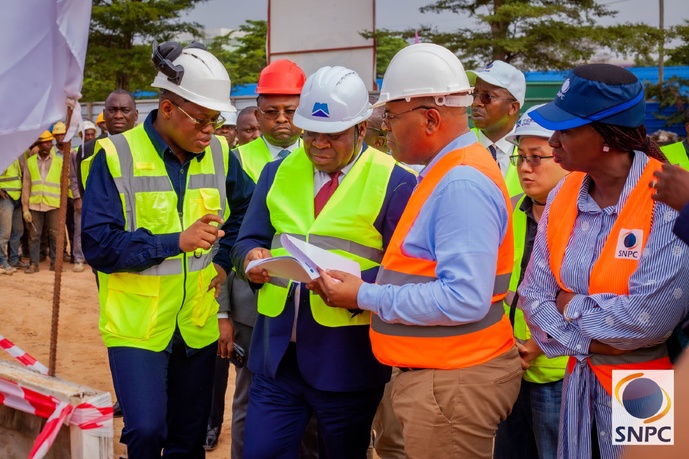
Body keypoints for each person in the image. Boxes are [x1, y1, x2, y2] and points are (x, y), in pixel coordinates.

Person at [315, 44, 522, 459]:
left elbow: (463, 297)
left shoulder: (461, 181)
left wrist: (362, 295)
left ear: (430, 117)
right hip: (438, 374)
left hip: (452, 379)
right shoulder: (448, 170)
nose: (384, 128)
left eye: (391, 117)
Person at [81, 41, 254, 458]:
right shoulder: (115, 156)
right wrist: (173, 243)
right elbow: (97, 244)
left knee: (187, 438)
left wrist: (226, 258)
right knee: (145, 430)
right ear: (168, 107)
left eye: (216, 120)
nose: (210, 130)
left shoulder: (219, 155)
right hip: (136, 326)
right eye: (203, 120)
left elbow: (247, 209)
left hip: (195, 321)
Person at [232, 65, 415, 459]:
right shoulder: (276, 171)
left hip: (347, 359)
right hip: (276, 356)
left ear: (361, 130)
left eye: (331, 136)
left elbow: (409, 270)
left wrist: (357, 287)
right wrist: (250, 256)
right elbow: (246, 238)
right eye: (309, 134)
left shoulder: (396, 181)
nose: (317, 145)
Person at [518, 63, 689, 459]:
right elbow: (534, 296)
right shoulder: (564, 194)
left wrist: (570, 304)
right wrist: (590, 340)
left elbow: (647, 320)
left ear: (609, 137)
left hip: (644, 387)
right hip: (580, 383)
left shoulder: (666, 200)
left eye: (567, 130)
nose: (554, 140)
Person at [205, 59, 307, 456]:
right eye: (272, 111)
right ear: (257, 111)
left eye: (291, 110)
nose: (282, 120)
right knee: (251, 400)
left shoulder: (324, 156)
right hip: (250, 309)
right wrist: (223, 315)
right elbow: (224, 241)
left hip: (306, 306)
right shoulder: (236, 160)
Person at [494, 106, 569, 459]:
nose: (525, 167)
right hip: (510, 365)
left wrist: (542, 343)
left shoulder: (588, 216)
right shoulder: (510, 210)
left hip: (561, 370)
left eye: (537, 157)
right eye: (520, 157)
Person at [467, 60, 526, 196]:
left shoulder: (537, 154)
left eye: (487, 97)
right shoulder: (457, 146)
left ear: (513, 108)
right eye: (474, 94)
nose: (476, 103)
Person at [77, 90, 139, 197]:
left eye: (125, 110)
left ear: (136, 115)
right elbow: (86, 194)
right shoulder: (87, 150)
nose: (118, 115)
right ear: (104, 114)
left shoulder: (150, 146)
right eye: (112, 110)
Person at [21, 131, 62, 273]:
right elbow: (26, 186)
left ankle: (56, 263)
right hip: (35, 204)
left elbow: (64, 184)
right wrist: (25, 209)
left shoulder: (59, 161)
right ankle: (34, 264)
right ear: (38, 144)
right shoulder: (30, 162)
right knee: (34, 235)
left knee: (55, 234)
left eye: (50, 142)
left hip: (53, 204)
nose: (49, 144)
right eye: (46, 142)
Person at [0, 155, 24, 274]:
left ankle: (14, 259)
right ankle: (2, 262)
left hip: (17, 197)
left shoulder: (15, 154)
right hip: (5, 197)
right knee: (5, 233)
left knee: (18, 231)